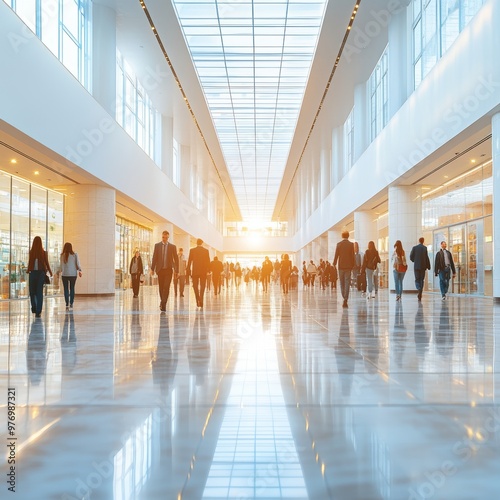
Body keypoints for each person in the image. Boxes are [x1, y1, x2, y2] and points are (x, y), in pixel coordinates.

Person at [151, 230, 179, 312]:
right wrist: (152, 269)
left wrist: (176, 270)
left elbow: (176, 259)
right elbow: (154, 257)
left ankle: (163, 303)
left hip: (168, 270)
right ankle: (162, 302)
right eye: (163, 237)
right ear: (162, 236)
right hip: (160, 270)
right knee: (161, 287)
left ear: (168, 237)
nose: (164, 239)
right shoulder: (157, 246)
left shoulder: (172, 247)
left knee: (166, 287)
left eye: (166, 237)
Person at [27, 236, 53, 318]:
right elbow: (46, 263)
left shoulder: (40, 252)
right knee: (38, 293)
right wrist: (50, 271)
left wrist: (28, 270)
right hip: (40, 274)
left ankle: (35, 309)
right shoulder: (34, 252)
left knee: (33, 292)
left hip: (34, 274)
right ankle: (37, 310)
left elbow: (45, 262)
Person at [333, 231, 355, 308]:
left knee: (342, 283)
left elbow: (336, 255)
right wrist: (353, 265)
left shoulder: (339, 244)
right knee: (347, 283)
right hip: (348, 266)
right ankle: (346, 298)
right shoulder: (351, 245)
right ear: (348, 236)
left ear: (342, 236)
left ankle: (344, 296)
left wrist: (334, 263)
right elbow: (353, 256)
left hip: (341, 266)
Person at [187, 238, 211, 308]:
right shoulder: (206, 251)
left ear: (196, 243)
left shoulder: (192, 250)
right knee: (203, 286)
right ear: (202, 243)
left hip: (195, 271)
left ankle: (197, 299)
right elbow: (208, 261)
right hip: (203, 272)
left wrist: (188, 269)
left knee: (195, 286)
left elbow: (189, 261)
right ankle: (201, 299)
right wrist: (208, 270)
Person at [61, 242, 83, 309]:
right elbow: (78, 263)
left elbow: (61, 266)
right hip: (73, 274)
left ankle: (67, 303)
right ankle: (71, 303)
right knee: (72, 288)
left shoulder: (62, 255)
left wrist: (58, 272)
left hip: (64, 274)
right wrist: (80, 270)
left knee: (66, 289)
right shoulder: (75, 254)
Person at [409, 237, 431, 301]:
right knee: (422, 279)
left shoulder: (415, 248)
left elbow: (411, 257)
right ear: (423, 241)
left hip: (416, 266)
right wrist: (428, 266)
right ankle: (420, 291)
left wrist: (414, 260)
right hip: (423, 267)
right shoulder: (425, 248)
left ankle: (418, 288)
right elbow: (426, 257)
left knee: (417, 279)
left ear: (419, 241)